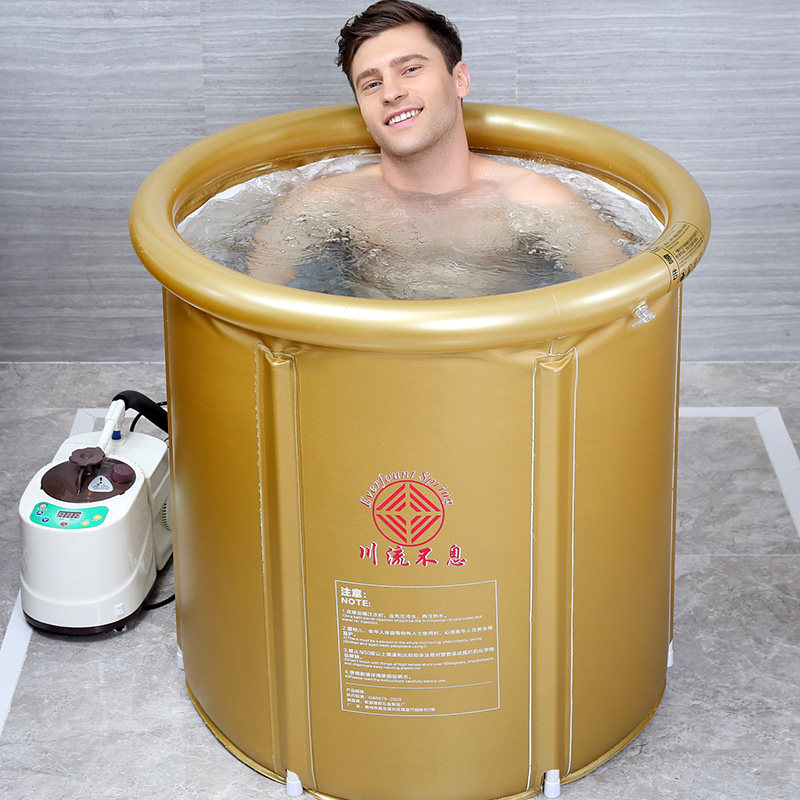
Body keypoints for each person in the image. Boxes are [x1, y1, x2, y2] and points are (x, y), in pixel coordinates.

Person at [249, 0, 626, 297]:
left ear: (459, 79)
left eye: (410, 69)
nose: (391, 93)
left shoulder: (534, 199)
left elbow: (623, 297)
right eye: (371, 84)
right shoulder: (325, 202)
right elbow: (253, 298)